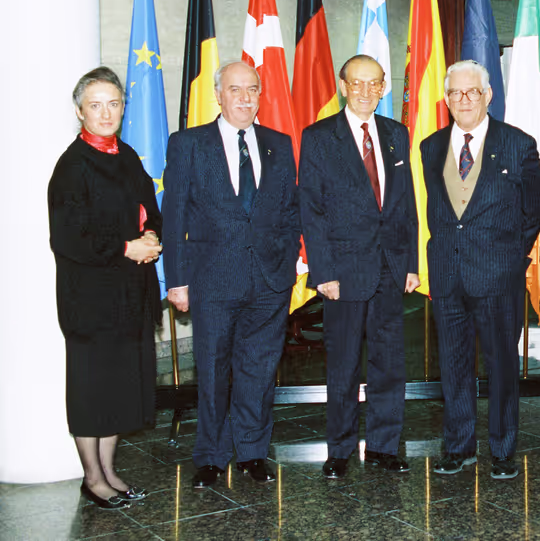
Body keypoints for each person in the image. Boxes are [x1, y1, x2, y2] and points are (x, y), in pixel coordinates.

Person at [162, 62, 300, 488]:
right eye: (235, 90)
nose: (245, 98)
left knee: (258, 371)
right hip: (211, 280)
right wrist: (177, 280)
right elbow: (174, 216)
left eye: (252, 90)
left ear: (261, 95)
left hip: (269, 281)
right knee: (213, 369)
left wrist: (289, 259)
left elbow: (289, 211)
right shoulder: (188, 144)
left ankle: (253, 453)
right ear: (218, 96)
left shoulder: (279, 144)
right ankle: (210, 456)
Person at [421, 60, 540, 480]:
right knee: (454, 365)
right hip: (447, 276)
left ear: (488, 95)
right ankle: (458, 446)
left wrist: (510, 254)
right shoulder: (430, 146)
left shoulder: (518, 144)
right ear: (447, 98)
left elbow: (535, 209)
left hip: (497, 276)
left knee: (501, 367)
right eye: (455, 93)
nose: (464, 100)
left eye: (472, 92)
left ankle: (503, 448)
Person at [299, 55, 420, 480]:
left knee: (390, 364)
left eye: (375, 84)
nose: (367, 91)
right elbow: (311, 210)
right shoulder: (318, 137)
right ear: (343, 86)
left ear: (384, 87)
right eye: (358, 83)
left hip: (390, 267)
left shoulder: (396, 134)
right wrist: (323, 271)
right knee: (344, 365)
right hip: (343, 271)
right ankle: (340, 448)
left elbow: (406, 203)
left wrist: (411, 263)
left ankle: (386, 446)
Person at [48, 67, 162, 509]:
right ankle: (92, 478)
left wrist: (153, 236)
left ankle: (111, 471)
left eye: (113, 103)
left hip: (129, 297)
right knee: (92, 390)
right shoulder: (72, 167)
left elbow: (149, 208)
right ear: (80, 111)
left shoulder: (127, 155)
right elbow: (68, 237)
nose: (106, 112)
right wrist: (125, 248)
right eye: (95, 105)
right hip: (90, 301)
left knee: (118, 389)